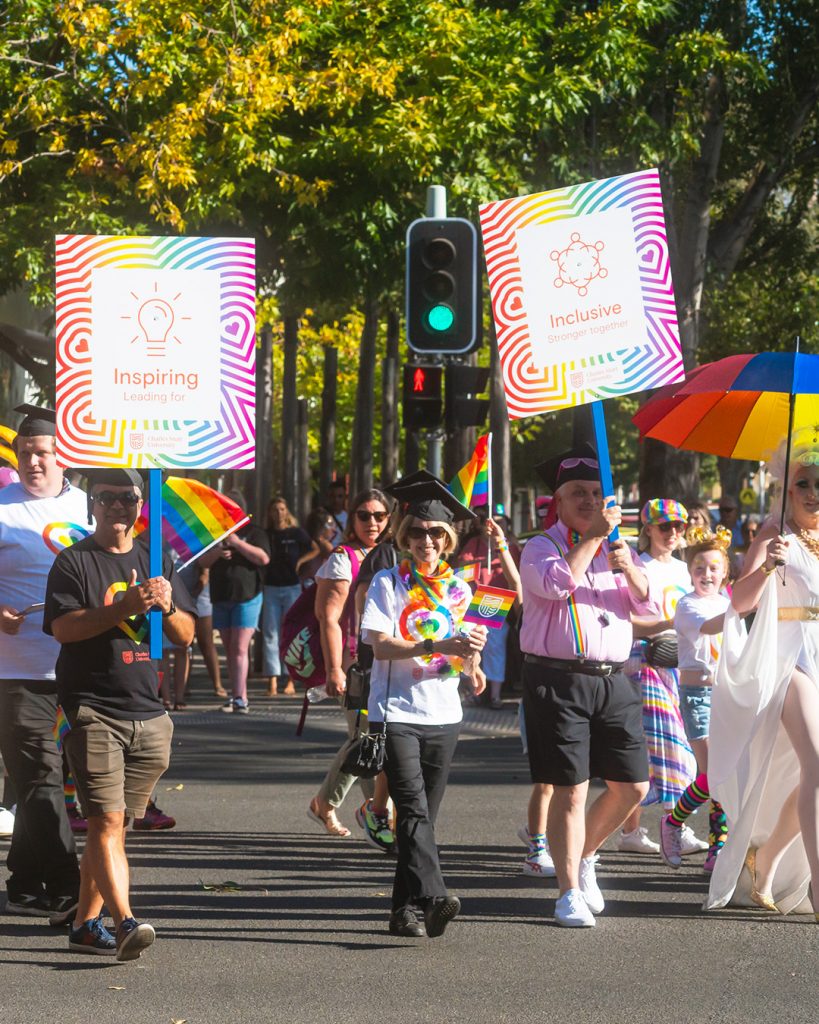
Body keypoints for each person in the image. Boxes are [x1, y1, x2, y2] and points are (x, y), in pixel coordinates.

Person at [43, 468, 195, 959]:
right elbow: (64, 629)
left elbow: (187, 636)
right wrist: (124, 605)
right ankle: (124, 921)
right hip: (92, 710)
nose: (117, 506)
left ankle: (85, 924)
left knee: (116, 827)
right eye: (106, 498)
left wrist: (167, 607)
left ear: (139, 504)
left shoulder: (157, 558)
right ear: (92, 504)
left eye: (127, 497)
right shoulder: (73, 562)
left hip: (148, 713)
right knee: (106, 823)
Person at [519, 443, 656, 928]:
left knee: (633, 786)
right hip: (557, 681)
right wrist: (593, 541)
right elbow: (556, 586)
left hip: (613, 680)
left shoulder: (619, 547)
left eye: (597, 493)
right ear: (558, 500)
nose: (589, 500)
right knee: (571, 790)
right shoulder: (541, 547)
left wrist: (632, 571)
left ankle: (586, 855)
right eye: (578, 492)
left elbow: (650, 611)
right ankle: (568, 892)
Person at [361, 476, 487, 937]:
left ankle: (402, 912)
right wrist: (435, 642)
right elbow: (382, 647)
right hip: (396, 713)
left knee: (423, 821)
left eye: (436, 533)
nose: (426, 541)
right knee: (411, 811)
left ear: (448, 539)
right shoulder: (387, 581)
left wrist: (472, 659)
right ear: (404, 535)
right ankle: (434, 898)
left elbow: (464, 659)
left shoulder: (461, 589)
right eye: (417, 532)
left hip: (444, 714)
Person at [706, 433, 819, 919]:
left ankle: (768, 854)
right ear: (786, 489)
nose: (814, 491)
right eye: (803, 483)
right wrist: (766, 566)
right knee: (817, 756)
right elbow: (740, 602)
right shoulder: (775, 531)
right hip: (786, 653)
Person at [0, 404, 85, 924]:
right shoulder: (1, 507)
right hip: (16, 672)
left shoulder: (90, 508)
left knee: (57, 776)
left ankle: (25, 882)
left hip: (81, 667)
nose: (35, 462)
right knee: (39, 778)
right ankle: (72, 888)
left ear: (63, 458)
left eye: (45, 453)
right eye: (26, 453)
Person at [307, 488, 393, 841]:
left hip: (390, 659)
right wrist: (333, 669)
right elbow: (328, 617)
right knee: (366, 738)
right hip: (357, 662)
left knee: (373, 738)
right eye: (363, 515)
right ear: (350, 518)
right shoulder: (344, 558)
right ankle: (374, 811)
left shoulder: (396, 554)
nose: (371, 522)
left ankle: (333, 803)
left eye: (379, 516)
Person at [620, 499, 701, 855]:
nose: (673, 533)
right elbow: (626, 619)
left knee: (655, 751)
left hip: (683, 664)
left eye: (679, 526)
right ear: (648, 528)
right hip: (647, 663)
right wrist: (667, 625)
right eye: (665, 525)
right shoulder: (638, 566)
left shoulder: (687, 570)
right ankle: (674, 826)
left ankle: (630, 833)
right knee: (669, 748)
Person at [659, 525, 733, 873]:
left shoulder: (729, 601)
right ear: (690, 573)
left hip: (728, 695)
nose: (707, 574)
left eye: (714, 568)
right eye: (700, 568)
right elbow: (713, 627)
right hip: (697, 696)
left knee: (724, 774)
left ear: (724, 572)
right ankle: (674, 822)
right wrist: (754, 597)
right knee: (713, 772)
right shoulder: (688, 606)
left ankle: (717, 847)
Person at [202, 491, 270, 714]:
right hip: (221, 595)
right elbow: (201, 561)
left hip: (248, 596)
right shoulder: (213, 533)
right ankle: (234, 695)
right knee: (231, 650)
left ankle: (241, 698)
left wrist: (237, 543)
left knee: (240, 647)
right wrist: (218, 552)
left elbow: (263, 558)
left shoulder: (254, 531)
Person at [456, 504, 522, 709]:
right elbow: (461, 568)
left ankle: (494, 694)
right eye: (490, 520)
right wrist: (483, 560)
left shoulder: (510, 546)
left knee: (495, 648)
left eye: (500, 521)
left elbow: (516, 576)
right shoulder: (473, 544)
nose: (494, 524)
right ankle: (472, 690)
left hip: (497, 600)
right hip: (473, 601)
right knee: (469, 646)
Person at [262, 497, 316, 696]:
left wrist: (301, 562)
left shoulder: (296, 533)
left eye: (282, 509)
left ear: (287, 512)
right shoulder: (266, 534)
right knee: (270, 633)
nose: (279, 513)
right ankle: (272, 680)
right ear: (269, 512)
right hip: (271, 587)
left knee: (292, 633)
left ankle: (290, 679)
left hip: (292, 586)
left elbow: (314, 548)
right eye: (275, 509)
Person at [326, 479, 348, 545]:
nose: (336, 500)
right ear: (328, 497)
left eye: (340, 496)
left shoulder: (350, 518)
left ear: (345, 497)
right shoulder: (320, 517)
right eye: (333, 496)